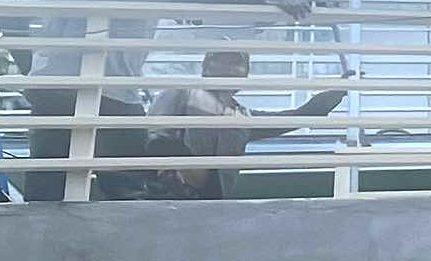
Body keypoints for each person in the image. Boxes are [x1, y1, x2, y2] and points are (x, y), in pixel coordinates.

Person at [23, 0, 309, 200]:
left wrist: (31, 66)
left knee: (46, 184)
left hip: (51, 87)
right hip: (111, 90)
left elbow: (17, 8)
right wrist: (264, 7)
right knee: (132, 183)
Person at [148, 51, 347, 198]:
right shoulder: (180, 93)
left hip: (209, 203)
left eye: (236, 62)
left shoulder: (242, 117)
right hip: (165, 195)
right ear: (206, 67)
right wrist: (183, 172)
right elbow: (155, 138)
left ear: (245, 74)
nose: (229, 67)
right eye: (221, 60)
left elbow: (296, 116)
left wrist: (334, 94)